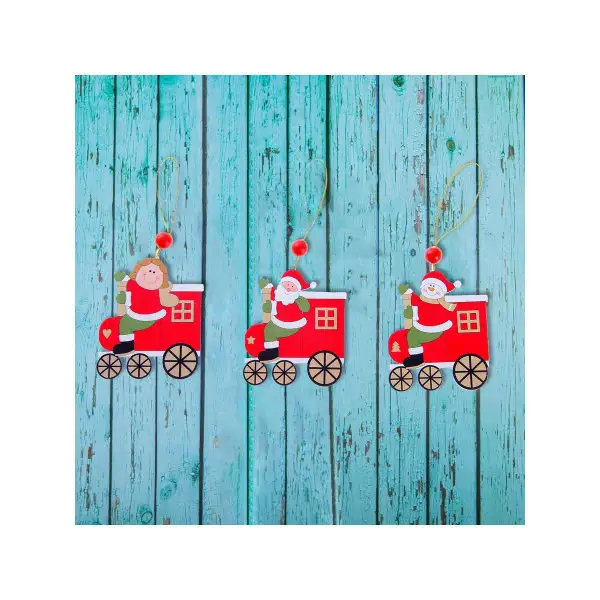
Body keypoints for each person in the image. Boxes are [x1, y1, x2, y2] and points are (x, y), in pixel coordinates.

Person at [113, 257, 179, 354]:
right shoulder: (134, 283)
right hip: (137, 314)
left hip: (146, 317)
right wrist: (122, 277)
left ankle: (128, 346)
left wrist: (125, 299)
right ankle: (127, 344)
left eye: (154, 272)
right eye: (149, 270)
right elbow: (131, 286)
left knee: (125, 323)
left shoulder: (153, 291)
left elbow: (136, 299)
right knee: (124, 321)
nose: (151, 273)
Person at [399, 271, 461, 367]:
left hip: (434, 329)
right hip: (420, 326)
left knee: (413, 337)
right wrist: (408, 292)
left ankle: (417, 359)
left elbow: (452, 309)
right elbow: (413, 299)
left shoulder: (440, 303)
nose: (431, 288)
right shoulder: (421, 300)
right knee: (411, 335)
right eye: (429, 285)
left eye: (435, 286)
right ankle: (416, 357)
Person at [258, 269, 316, 362]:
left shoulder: (296, 298)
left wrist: (301, 300)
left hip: (292, 325)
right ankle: (271, 351)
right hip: (278, 322)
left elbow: (306, 308)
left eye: (292, 286)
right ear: (281, 284)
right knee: (268, 329)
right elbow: (271, 295)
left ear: (297, 289)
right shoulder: (278, 294)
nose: (289, 287)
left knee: (271, 330)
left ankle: (273, 353)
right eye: (287, 284)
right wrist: (265, 286)